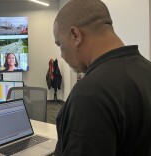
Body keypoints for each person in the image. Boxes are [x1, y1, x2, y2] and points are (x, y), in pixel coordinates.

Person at [53, 0, 151, 156]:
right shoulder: (147, 69)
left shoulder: (89, 93)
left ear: (75, 35)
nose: (62, 55)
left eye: (60, 44)